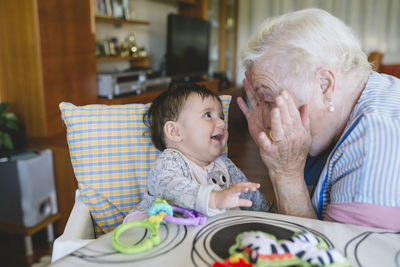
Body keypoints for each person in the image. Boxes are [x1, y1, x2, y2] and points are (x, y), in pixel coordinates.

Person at [237, 8, 400, 230]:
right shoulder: (363, 97)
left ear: (325, 84)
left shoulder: (375, 138)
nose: (266, 119)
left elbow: (337, 258)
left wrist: (286, 173)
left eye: (269, 100)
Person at [128, 84, 274, 217]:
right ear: (175, 132)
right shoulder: (170, 161)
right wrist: (215, 198)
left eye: (221, 116)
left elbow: (250, 198)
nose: (222, 123)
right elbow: (172, 190)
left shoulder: (226, 166)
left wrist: (272, 215)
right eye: (207, 115)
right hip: (155, 234)